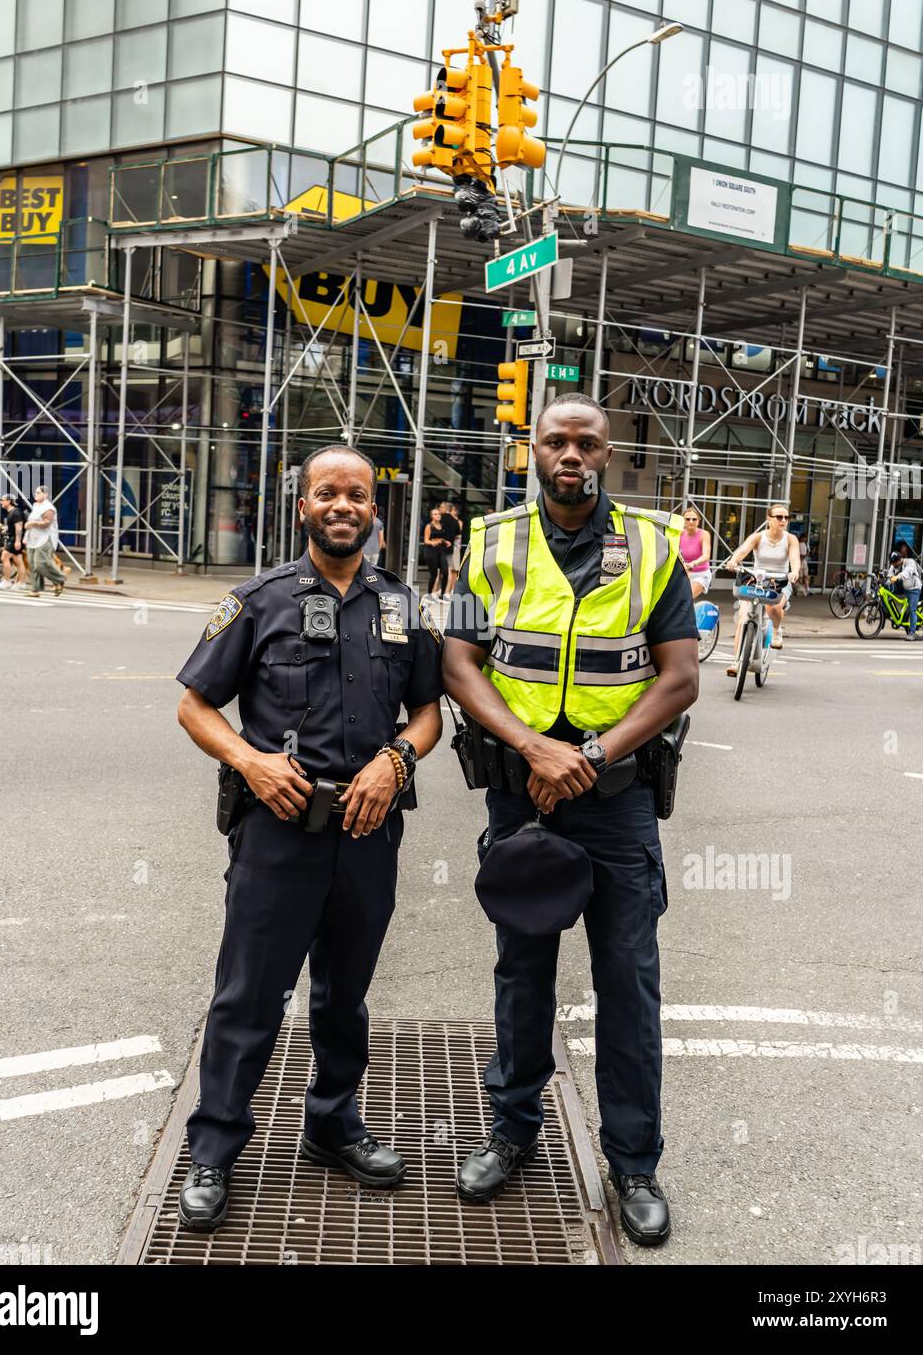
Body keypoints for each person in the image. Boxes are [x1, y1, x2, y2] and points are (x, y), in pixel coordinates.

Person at [442, 392, 699, 1245]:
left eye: (587, 443)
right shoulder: (490, 542)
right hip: (520, 795)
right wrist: (531, 748)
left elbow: (678, 679)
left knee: (628, 986)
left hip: (616, 802)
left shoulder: (657, 549)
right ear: (532, 448)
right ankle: (512, 1133)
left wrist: (584, 757)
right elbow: (460, 663)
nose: (571, 456)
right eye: (556, 440)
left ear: (608, 453)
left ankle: (634, 1165)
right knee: (523, 976)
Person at [174, 445, 444, 1232]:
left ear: (373, 512)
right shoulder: (259, 601)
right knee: (249, 996)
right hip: (279, 833)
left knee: (345, 995)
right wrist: (251, 762)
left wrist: (398, 761)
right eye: (327, 492)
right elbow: (194, 705)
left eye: (356, 495)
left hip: (368, 832)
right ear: (303, 506)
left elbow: (429, 712)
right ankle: (215, 1149)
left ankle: (332, 1123)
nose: (342, 505)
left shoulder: (401, 605)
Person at [723, 503, 800, 676]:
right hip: (757, 578)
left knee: (772, 607)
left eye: (786, 517)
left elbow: (795, 558)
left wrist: (794, 572)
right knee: (743, 617)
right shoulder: (758, 537)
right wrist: (734, 561)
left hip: (780, 580)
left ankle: (777, 630)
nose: (783, 520)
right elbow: (742, 551)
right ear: (769, 519)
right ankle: (736, 661)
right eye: (779, 517)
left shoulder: (790, 539)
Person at [24, 485, 66, 597]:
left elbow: (47, 523)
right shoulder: (36, 506)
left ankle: (60, 578)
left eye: (38, 492)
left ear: (45, 494)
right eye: (35, 492)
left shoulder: (49, 508)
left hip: (45, 539)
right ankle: (35, 589)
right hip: (32, 539)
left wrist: (33, 524)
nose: (36, 494)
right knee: (32, 565)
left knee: (40, 564)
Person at [888, 549, 923, 639]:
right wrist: (888, 578)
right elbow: (890, 573)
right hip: (903, 588)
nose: (893, 565)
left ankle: (912, 633)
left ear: (899, 560)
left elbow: (906, 573)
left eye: (894, 563)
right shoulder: (894, 565)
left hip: (914, 589)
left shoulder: (910, 562)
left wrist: (897, 577)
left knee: (912, 609)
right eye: (892, 563)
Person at [678, 505, 712, 599]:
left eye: (694, 519)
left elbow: (706, 555)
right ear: (683, 520)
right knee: (677, 600)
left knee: (686, 598)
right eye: (687, 519)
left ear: (698, 521)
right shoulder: (679, 534)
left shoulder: (704, 534)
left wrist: (694, 563)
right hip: (684, 574)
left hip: (701, 575)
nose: (691, 522)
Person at [0, 494, 28, 589]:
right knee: (18, 561)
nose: (1, 502)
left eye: (2, 500)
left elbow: (19, 527)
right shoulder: (12, 512)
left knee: (4, 557)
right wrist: (7, 528)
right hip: (14, 538)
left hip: (15, 539)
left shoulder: (16, 512)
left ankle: (7, 581)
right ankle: (22, 583)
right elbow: (14, 526)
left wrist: (17, 541)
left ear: (8, 501)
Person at [439, 500, 463, 596]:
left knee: (444, 571)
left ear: (445, 508)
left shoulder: (441, 518)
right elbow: (458, 532)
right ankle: (447, 591)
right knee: (449, 570)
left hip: (440, 547)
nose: (440, 509)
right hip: (450, 548)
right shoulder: (455, 520)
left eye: (441, 507)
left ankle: (444, 591)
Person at [422, 506, 447, 596]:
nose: (438, 515)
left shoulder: (442, 525)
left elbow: (441, 538)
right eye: (435, 514)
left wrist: (445, 541)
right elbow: (426, 540)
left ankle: (442, 595)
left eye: (438, 514)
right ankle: (429, 594)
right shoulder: (429, 526)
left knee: (445, 571)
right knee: (434, 574)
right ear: (432, 516)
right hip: (431, 551)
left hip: (441, 550)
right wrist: (432, 543)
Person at [796, 532, 810, 596]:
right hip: (799, 561)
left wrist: (806, 555)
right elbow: (798, 554)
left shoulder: (806, 544)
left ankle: (807, 589)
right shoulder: (797, 544)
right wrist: (803, 555)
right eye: (803, 538)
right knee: (800, 576)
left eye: (805, 538)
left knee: (805, 575)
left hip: (804, 561)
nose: (804, 539)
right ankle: (801, 589)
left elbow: (808, 552)